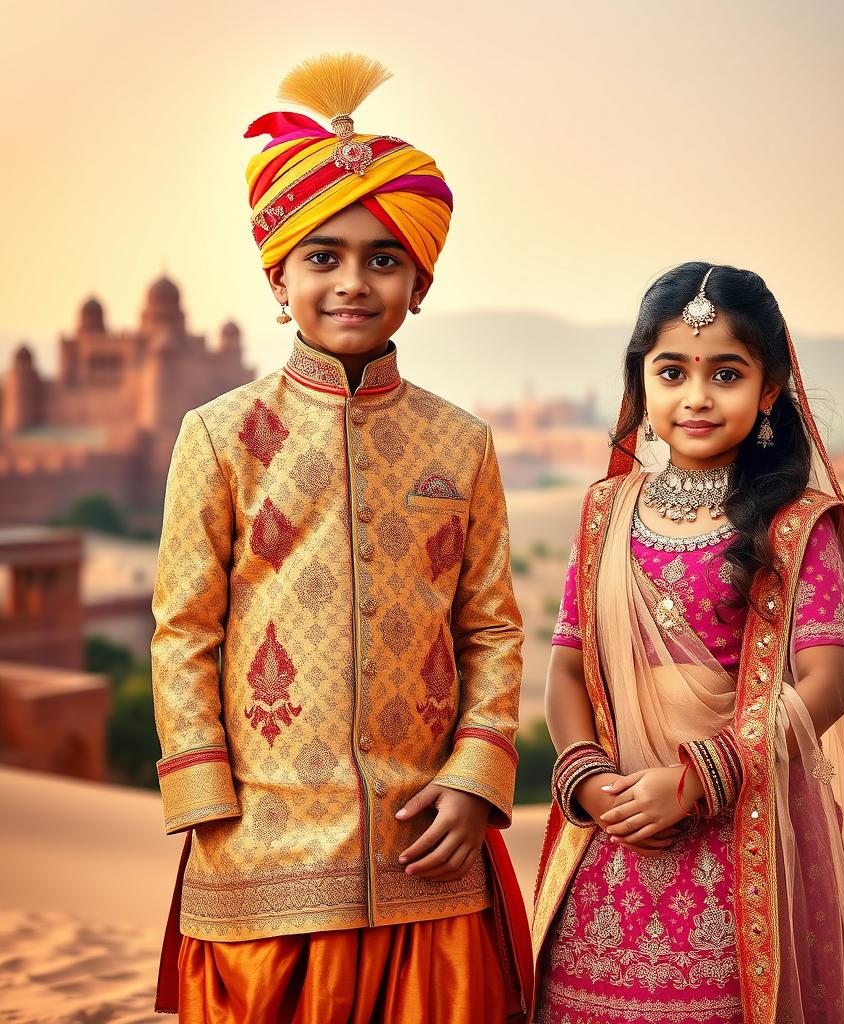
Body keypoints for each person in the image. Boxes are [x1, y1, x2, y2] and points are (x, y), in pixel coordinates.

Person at [150, 53, 531, 1023]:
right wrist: (207, 804)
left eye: (383, 258)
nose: (352, 282)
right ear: (280, 280)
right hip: (262, 853)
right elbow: (183, 629)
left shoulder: (462, 442)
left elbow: (490, 627)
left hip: (427, 846)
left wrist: (476, 780)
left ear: (420, 282)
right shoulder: (218, 435)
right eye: (322, 257)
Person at [532, 263, 844, 1023]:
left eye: (727, 374)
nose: (697, 397)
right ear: (641, 386)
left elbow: (825, 686)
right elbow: (568, 670)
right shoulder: (606, 512)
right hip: (613, 831)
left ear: (769, 390)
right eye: (671, 371)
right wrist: (584, 778)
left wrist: (700, 778)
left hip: (745, 832)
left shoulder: (798, 525)